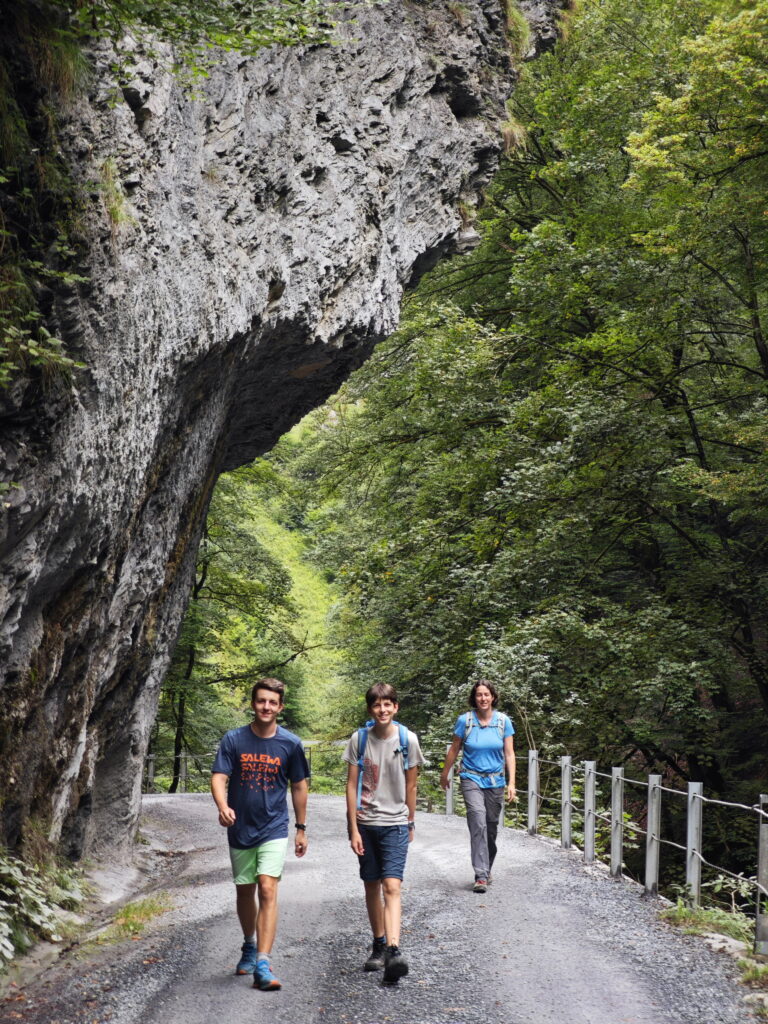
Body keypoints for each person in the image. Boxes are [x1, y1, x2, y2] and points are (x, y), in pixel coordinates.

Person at [211, 677, 310, 992]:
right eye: (261, 701)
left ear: (280, 706)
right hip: (240, 827)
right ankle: (249, 944)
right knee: (245, 890)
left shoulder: (290, 744)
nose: (266, 706)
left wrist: (301, 828)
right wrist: (222, 805)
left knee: (267, 888)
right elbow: (219, 776)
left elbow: (299, 785)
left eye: (272, 702)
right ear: (253, 704)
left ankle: (264, 963)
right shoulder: (234, 739)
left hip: (274, 826)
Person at [344, 683, 425, 983]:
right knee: (371, 885)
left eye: (388, 704)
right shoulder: (359, 739)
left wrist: (410, 821)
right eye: (377, 705)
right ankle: (378, 944)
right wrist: (352, 828)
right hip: (365, 823)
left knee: (392, 885)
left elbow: (412, 784)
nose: (383, 710)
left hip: (395, 824)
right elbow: (351, 786)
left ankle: (393, 949)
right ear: (370, 709)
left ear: (396, 707)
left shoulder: (407, 740)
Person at [439, 679, 516, 893]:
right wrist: (445, 773)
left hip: (495, 780)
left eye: (486, 694)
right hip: (470, 777)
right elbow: (455, 749)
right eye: (479, 695)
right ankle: (480, 875)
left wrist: (512, 782)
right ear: (474, 698)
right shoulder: (465, 721)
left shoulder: (503, 722)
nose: (483, 698)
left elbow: (509, 754)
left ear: (493, 697)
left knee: (490, 827)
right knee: (478, 821)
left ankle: (486, 867)